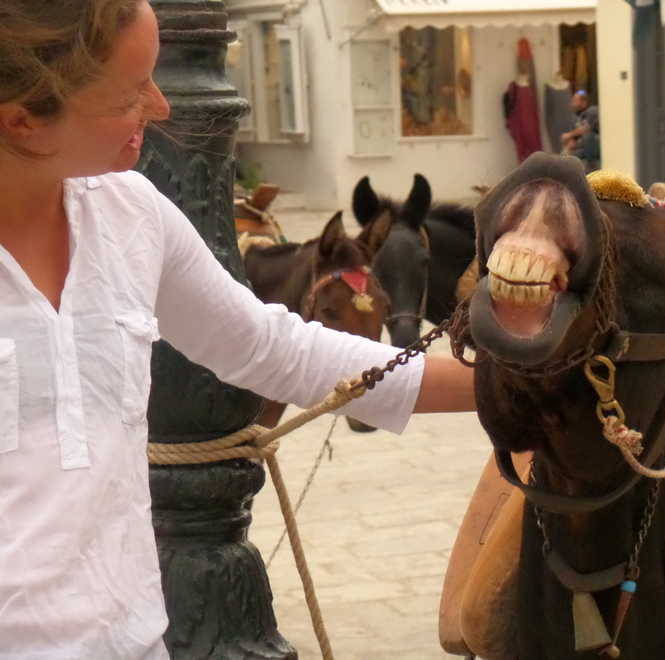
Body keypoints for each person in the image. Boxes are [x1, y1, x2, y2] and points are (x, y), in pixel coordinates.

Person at [0, 1, 475, 658]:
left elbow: (269, 347)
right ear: (22, 118)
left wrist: (505, 385)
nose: (162, 107)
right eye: (131, 91)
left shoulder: (133, 214)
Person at [561, 89, 600, 172]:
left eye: (575, 100)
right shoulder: (576, 117)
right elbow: (575, 136)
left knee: (588, 136)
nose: (572, 103)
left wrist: (569, 135)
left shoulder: (592, 110)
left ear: (584, 102)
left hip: (595, 144)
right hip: (583, 147)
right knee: (566, 156)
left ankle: (592, 167)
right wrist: (569, 146)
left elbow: (587, 128)